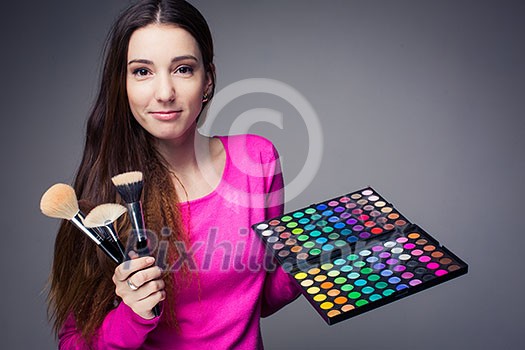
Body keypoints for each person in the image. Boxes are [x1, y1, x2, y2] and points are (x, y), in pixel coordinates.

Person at [48, 0, 300, 348]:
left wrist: (310, 259)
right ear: (122, 84)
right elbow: (73, 343)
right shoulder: (103, 197)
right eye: (142, 72)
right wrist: (134, 315)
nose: (165, 93)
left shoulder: (256, 160)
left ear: (207, 80)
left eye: (183, 69)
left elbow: (263, 296)